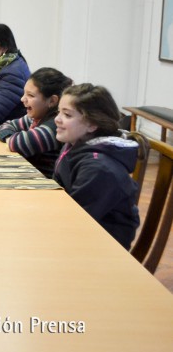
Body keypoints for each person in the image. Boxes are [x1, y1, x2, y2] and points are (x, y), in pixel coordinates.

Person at [53, 83, 140, 249]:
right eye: (59, 111)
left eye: (67, 115)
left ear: (92, 125)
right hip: (79, 234)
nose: (57, 119)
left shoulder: (98, 169)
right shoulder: (74, 143)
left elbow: (77, 221)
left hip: (101, 246)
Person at [0, 67, 72, 178]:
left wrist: (10, 139)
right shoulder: (36, 117)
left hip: (45, 184)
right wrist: (10, 138)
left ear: (52, 101)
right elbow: (5, 126)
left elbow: (16, 144)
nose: (22, 99)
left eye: (30, 95)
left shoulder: (55, 125)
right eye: (24, 93)